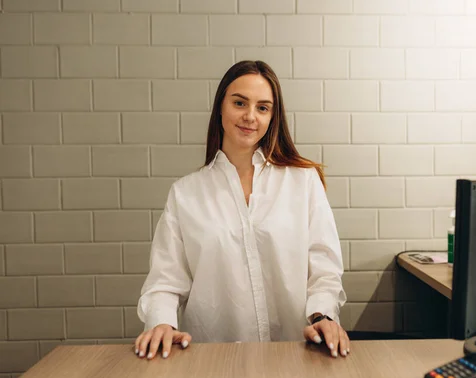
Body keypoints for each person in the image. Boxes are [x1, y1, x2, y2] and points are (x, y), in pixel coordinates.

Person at [134, 60, 348, 361]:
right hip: (213, 362)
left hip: (297, 357)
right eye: (239, 103)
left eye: (263, 107)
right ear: (220, 107)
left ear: (273, 117)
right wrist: (161, 323)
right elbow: (165, 281)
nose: (250, 116)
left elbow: (324, 267)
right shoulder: (186, 193)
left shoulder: (303, 181)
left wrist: (323, 315)